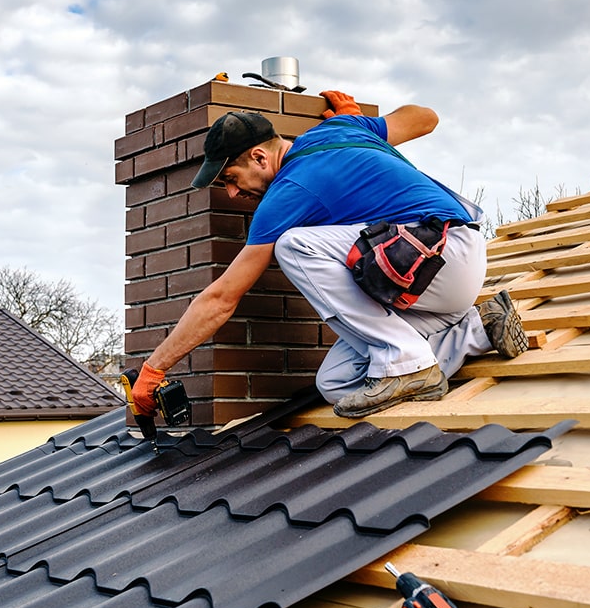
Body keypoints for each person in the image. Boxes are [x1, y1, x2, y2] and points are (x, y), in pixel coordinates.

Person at [132, 90, 527, 420]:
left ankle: (408, 361)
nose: (233, 194)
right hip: (433, 280)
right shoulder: (343, 127)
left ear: (258, 157)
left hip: (441, 253)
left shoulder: (288, 192)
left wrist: (155, 368)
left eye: (230, 179)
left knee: (295, 244)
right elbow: (426, 117)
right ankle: (478, 329)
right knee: (336, 383)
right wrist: (364, 127)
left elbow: (221, 298)